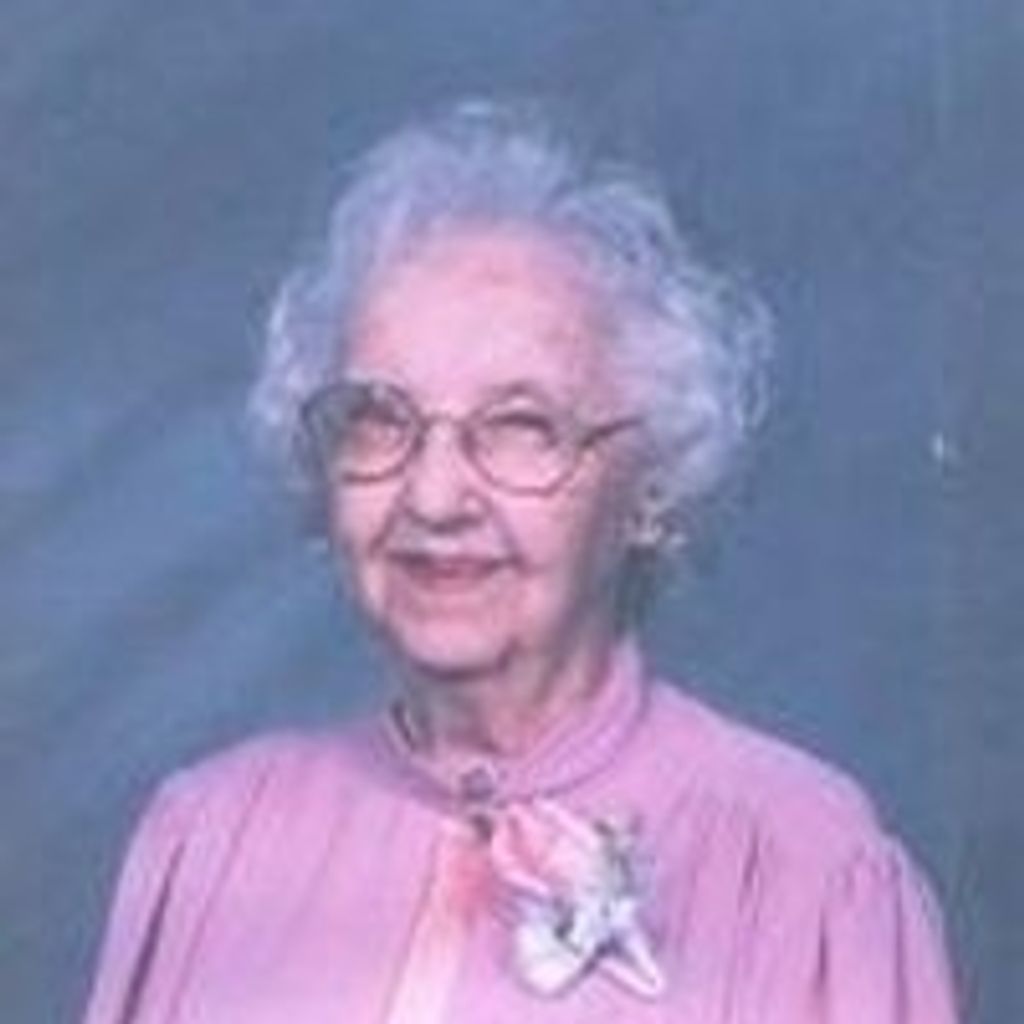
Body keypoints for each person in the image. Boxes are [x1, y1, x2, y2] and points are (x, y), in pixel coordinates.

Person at [82, 100, 959, 1023]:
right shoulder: (210, 841)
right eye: (378, 419)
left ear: (651, 486)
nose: (434, 498)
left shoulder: (807, 877)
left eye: (521, 426)